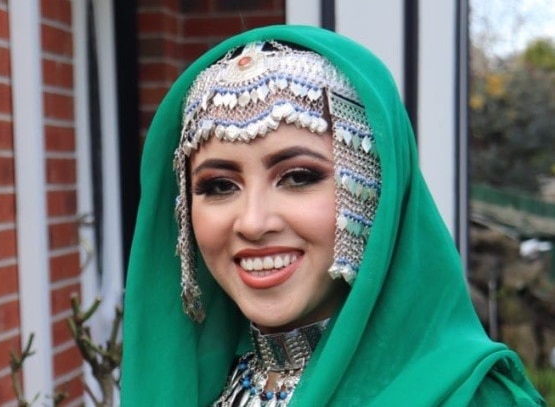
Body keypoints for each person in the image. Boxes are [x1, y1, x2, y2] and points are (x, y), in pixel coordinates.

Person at [121, 25, 544, 406]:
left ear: (374, 193)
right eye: (218, 186)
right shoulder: (200, 388)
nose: (252, 222)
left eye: (298, 177)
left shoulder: (471, 398)